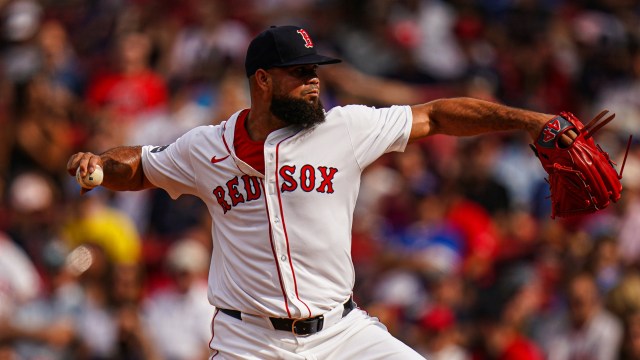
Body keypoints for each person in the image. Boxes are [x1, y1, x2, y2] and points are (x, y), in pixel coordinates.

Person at [67, 25, 560, 359]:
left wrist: (532, 121)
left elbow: (435, 114)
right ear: (262, 80)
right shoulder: (206, 147)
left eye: (315, 70)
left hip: (343, 333)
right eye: (300, 72)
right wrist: (101, 163)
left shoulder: (344, 128)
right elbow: (142, 167)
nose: (313, 81)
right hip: (250, 343)